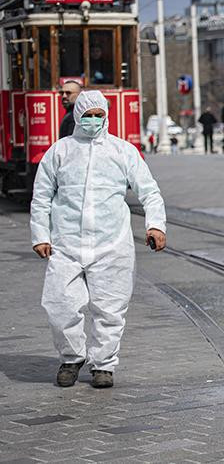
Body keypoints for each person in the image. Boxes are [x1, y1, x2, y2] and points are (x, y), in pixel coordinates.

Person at [30, 90, 167, 389]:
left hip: (111, 242)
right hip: (66, 243)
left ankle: (103, 364)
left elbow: (149, 191)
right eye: (88, 116)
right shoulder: (60, 151)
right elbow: (41, 197)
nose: (93, 121)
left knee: (110, 306)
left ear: (106, 116)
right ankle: (71, 357)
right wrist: (40, 235)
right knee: (60, 304)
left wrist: (156, 226)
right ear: (78, 115)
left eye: (98, 116)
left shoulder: (123, 151)